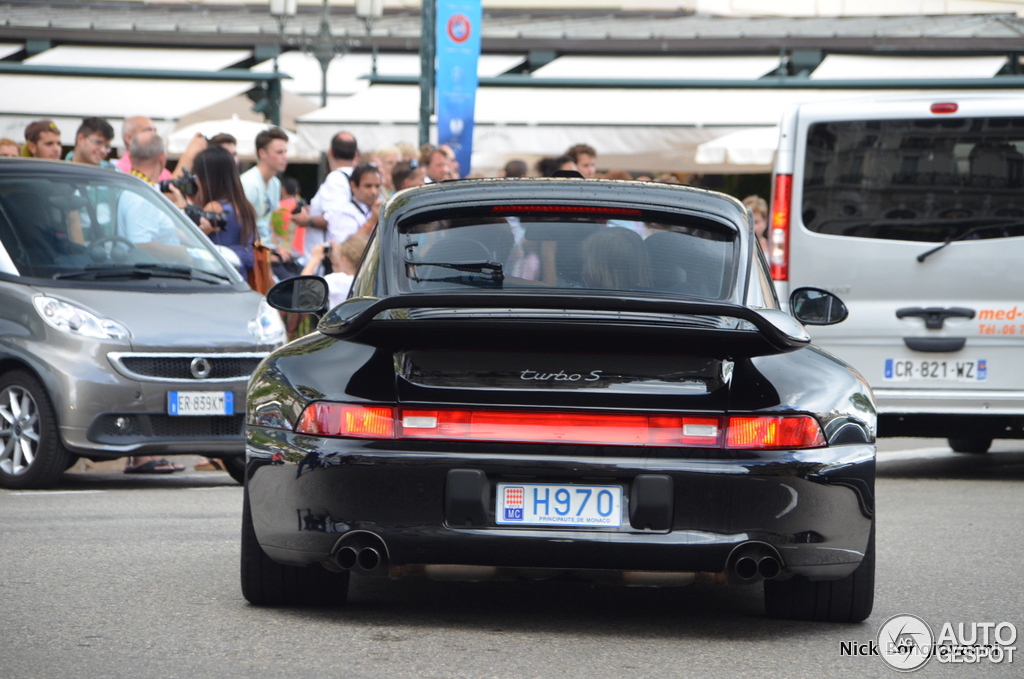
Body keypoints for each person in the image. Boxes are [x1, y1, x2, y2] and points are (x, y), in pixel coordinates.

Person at [192, 146, 257, 278]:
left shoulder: (214, 208)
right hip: (240, 279)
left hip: (217, 280)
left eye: (196, 175)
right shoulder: (244, 206)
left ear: (207, 178)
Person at [307, 132, 359, 258]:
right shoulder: (357, 176)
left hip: (328, 256)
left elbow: (333, 218)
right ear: (355, 155)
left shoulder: (335, 179)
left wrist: (307, 220)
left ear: (330, 153)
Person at [301, 232, 369, 308]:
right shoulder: (368, 279)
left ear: (345, 260)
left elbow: (305, 284)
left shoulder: (340, 280)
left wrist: (315, 258)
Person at [325, 163, 382, 243]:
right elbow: (348, 250)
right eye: (368, 186)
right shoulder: (343, 213)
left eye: (377, 186)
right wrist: (372, 221)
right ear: (353, 186)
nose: (374, 192)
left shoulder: (381, 207)